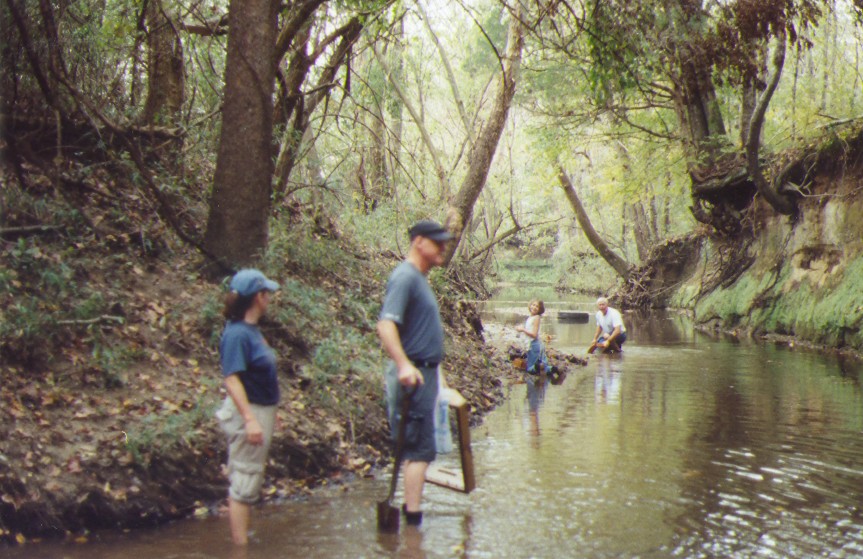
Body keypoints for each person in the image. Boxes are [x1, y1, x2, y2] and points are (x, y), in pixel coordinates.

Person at [376, 219, 453, 527]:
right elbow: (385, 324)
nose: (444, 248)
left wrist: (439, 376)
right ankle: (412, 525)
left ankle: (412, 518)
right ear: (419, 241)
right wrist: (405, 365)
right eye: (438, 242)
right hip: (413, 377)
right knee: (418, 449)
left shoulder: (420, 278)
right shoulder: (405, 277)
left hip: (426, 375)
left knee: (420, 448)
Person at [215, 268, 280, 545]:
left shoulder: (252, 331)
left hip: (260, 410)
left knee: (248, 476)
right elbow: (232, 379)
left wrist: (270, 415)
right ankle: (239, 548)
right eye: (267, 293)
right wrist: (251, 419)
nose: (270, 298)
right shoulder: (237, 335)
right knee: (244, 479)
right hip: (248, 412)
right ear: (258, 297)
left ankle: (242, 540)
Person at [515, 299, 547, 374]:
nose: (534, 307)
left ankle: (540, 366)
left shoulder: (536, 317)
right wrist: (522, 328)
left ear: (540, 309)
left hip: (533, 344)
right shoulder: (531, 317)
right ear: (530, 305)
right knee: (534, 367)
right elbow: (530, 330)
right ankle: (554, 369)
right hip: (531, 345)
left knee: (530, 369)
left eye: (537, 306)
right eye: (533, 305)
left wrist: (523, 329)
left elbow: (534, 335)